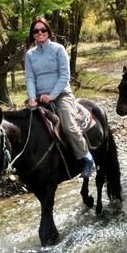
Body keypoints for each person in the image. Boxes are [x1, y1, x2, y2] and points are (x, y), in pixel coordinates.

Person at [24, 16, 94, 178]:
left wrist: (52, 95)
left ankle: (86, 157)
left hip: (62, 94)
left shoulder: (58, 49)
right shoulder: (30, 55)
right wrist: (32, 98)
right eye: (36, 31)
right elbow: (30, 78)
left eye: (43, 30)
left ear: (48, 32)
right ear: (32, 34)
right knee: (27, 126)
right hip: (39, 98)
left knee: (69, 126)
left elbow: (65, 75)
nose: (40, 33)